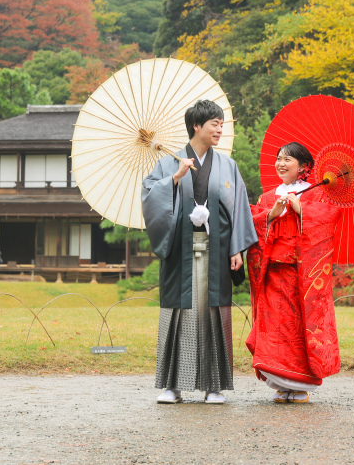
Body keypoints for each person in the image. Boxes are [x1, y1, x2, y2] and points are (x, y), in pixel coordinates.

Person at [142, 99, 258, 405]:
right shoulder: (168, 162)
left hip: (217, 250)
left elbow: (239, 210)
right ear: (197, 126)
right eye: (214, 124)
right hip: (180, 249)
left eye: (221, 124)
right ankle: (172, 385)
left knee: (212, 314)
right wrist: (176, 178)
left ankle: (213, 386)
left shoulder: (227, 165)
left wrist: (237, 249)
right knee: (179, 312)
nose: (220, 129)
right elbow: (150, 195)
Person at [246, 142, 342, 404]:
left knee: (298, 329)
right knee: (272, 330)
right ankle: (279, 383)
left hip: (300, 276)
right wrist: (269, 215)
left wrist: (302, 209)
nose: (280, 163)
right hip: (271, 274)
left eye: (288, 159)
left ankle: (299, 384)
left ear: (303, 167)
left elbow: (327, 222)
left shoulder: (316, 196)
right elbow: (252, 226)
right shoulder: (267, 197)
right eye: (278, 159)